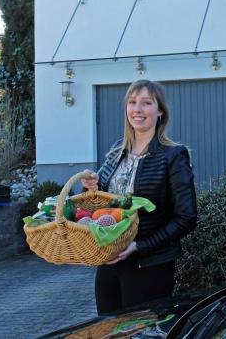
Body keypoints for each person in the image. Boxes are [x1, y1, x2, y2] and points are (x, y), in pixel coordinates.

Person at [82, 79, 197, 315]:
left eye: (146, 103)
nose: (138, 109)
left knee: (141, 332)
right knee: (107, 329)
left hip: (150, 265)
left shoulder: (173, 156)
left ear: (160, 111)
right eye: (132, 102)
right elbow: (99, 207)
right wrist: (90, 188)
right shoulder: (116, 152)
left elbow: (187, 217)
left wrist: (138, 246)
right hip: (109, 262)